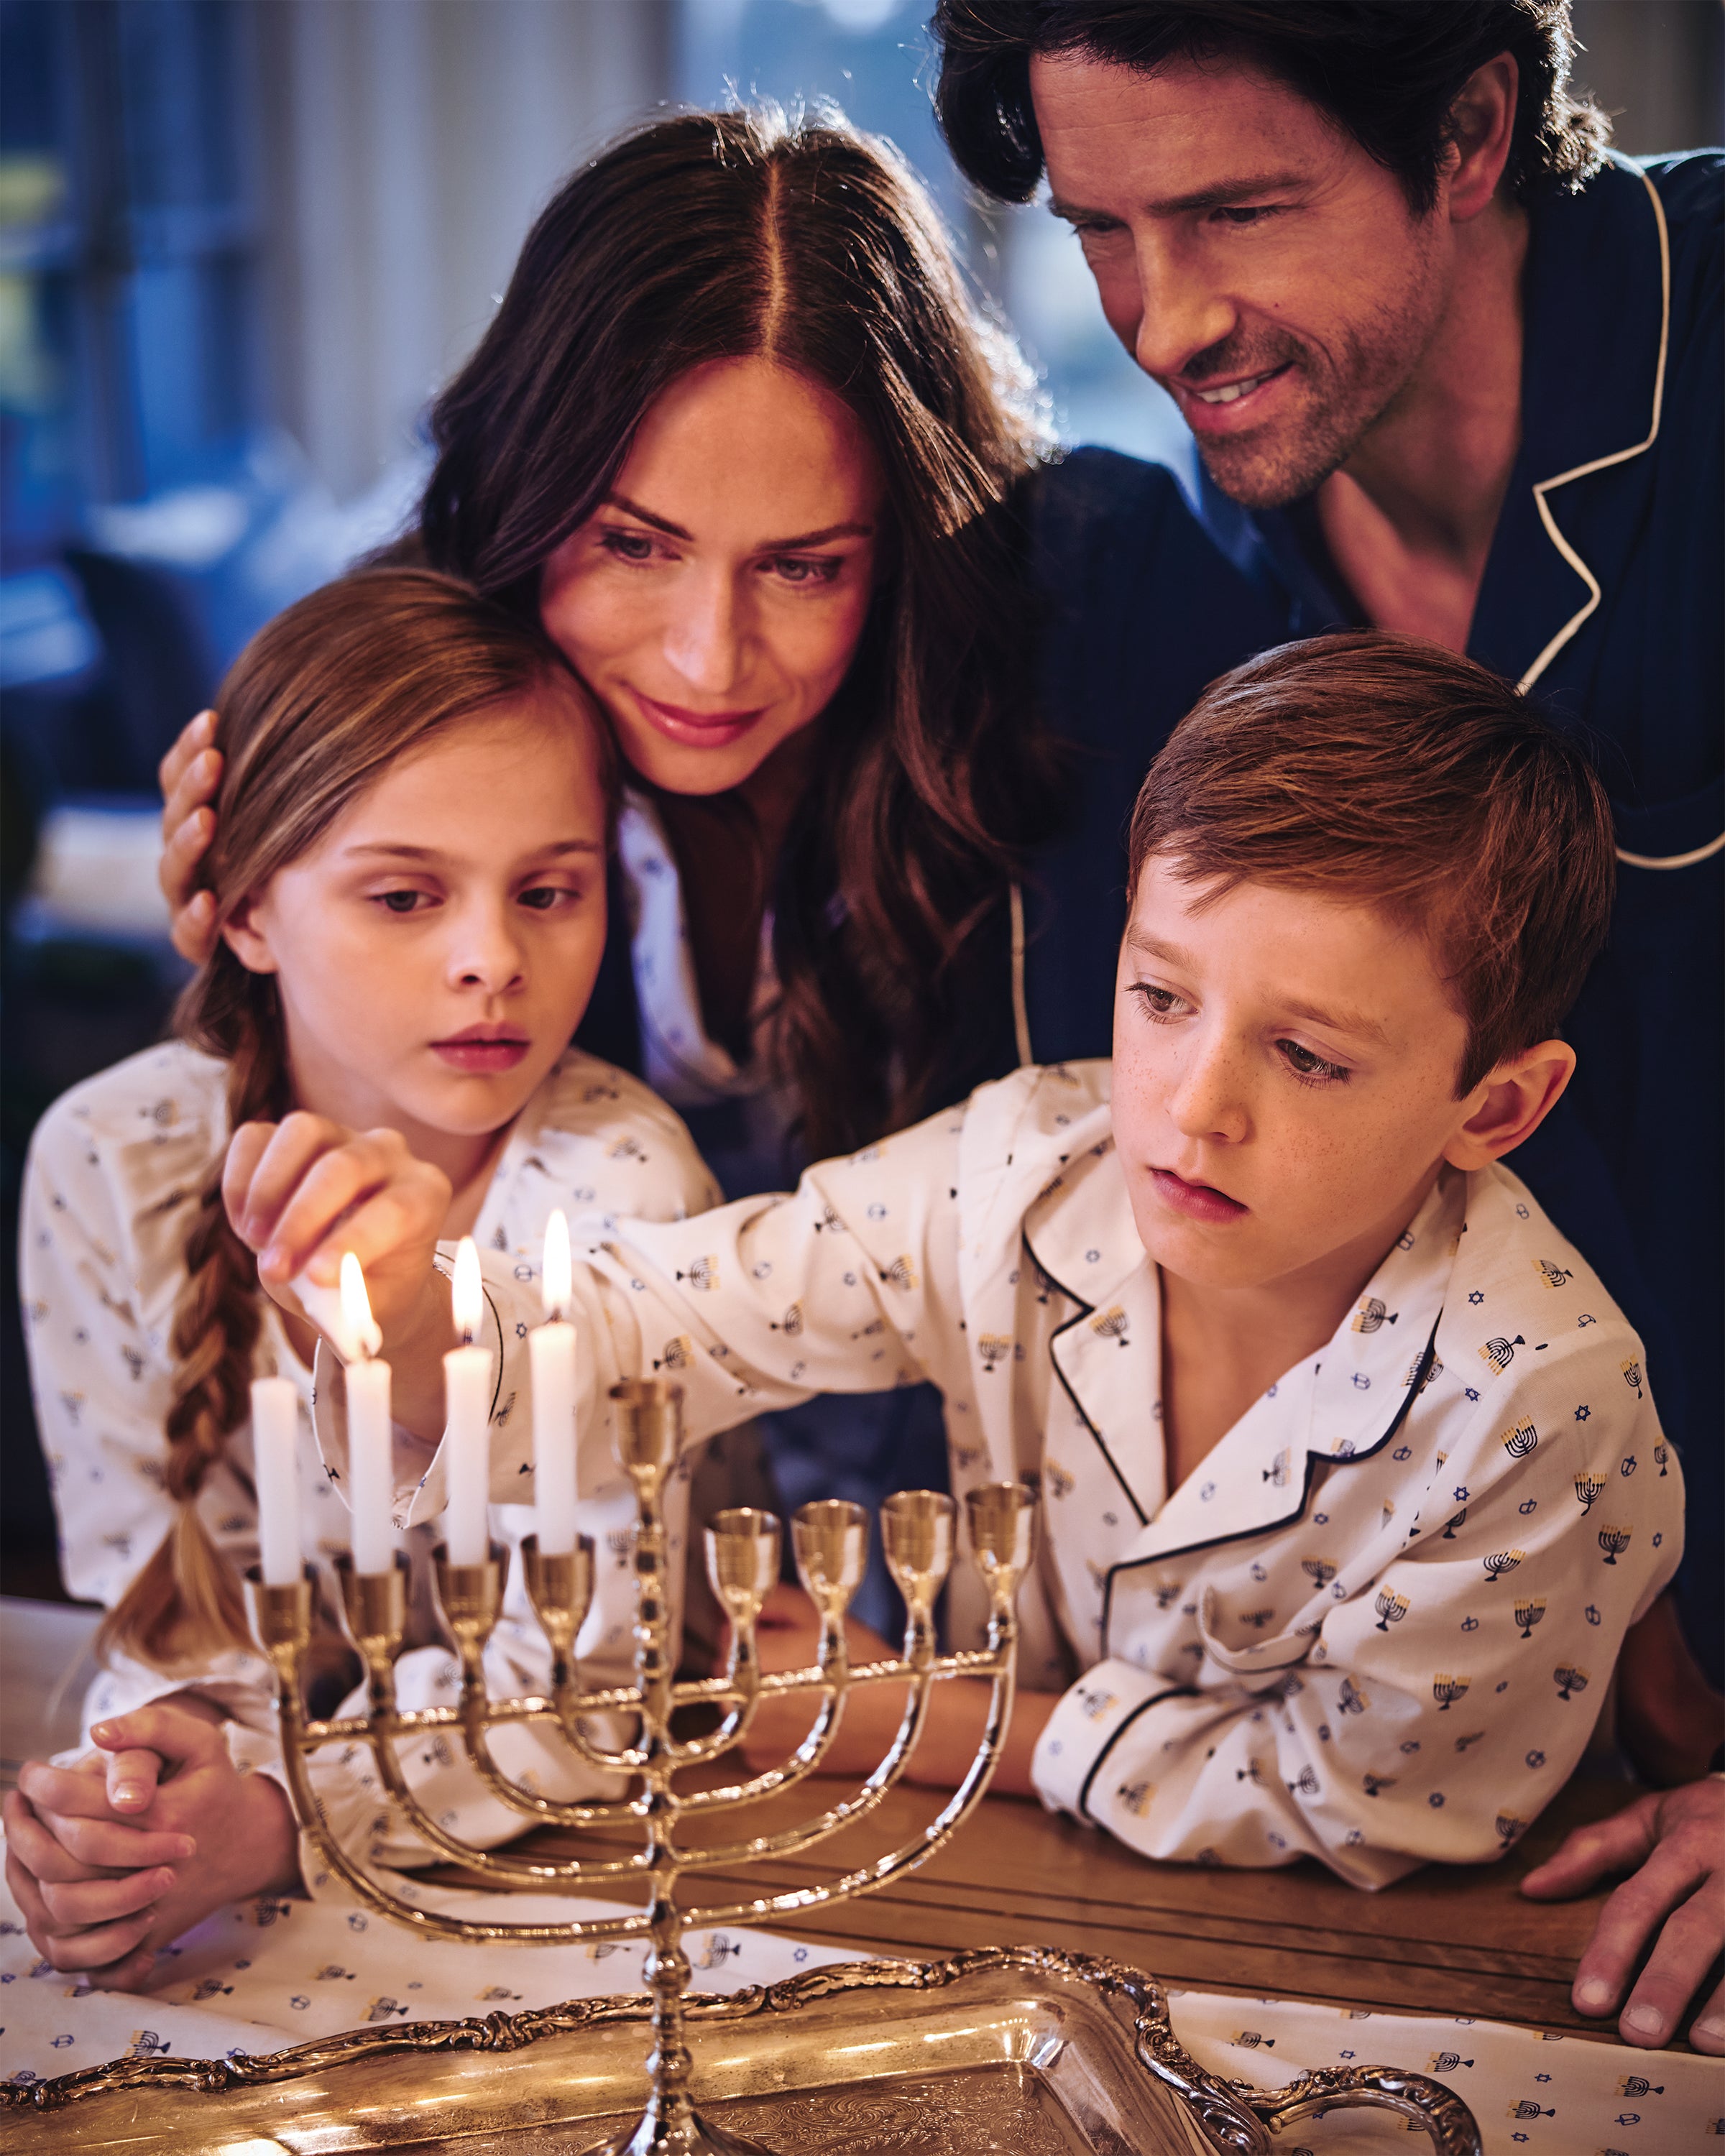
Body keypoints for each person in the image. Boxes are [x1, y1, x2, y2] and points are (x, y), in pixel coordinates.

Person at [272, 632, 1680, 1889]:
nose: (1195, 1108)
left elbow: (1361, 1802)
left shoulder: (1534, 1401)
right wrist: (411, 1319)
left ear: (1496, 1106)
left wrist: (926, 1720)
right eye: (1161, 997)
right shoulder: (1020, 1167)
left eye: (1308, 1056)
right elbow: (669, 1322)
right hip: (1010, 1891)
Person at [150, 103, 1289, 1631]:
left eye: (806, 566)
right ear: (523, 491)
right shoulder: (418, 689)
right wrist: (273, 954)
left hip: (1044, 1593)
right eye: (632, 544)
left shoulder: (1096, 608)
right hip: (599, 1604)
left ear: (909, 536)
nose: (707, 657)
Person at [932, 0, 1722, 2045]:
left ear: (1471, 131)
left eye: (1237, 210)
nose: (1165, 315)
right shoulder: (1155, 566)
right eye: (1104, 227)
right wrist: (310, 763)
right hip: (1434, 1784)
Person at [8, 569, 723, 1990]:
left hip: (581, 1878)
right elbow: (163, 1613)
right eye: (404, 895)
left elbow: (582, 1683)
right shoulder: (111, 1159)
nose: (490, 961)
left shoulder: (622, 1193)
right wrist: (155, 1795)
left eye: (550, 891)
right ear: (246, 909)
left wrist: (279, 1819)